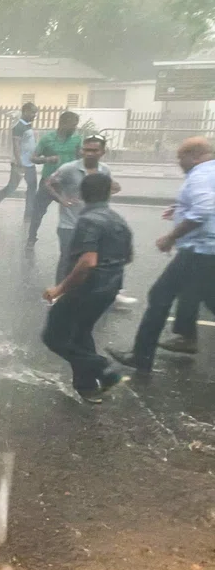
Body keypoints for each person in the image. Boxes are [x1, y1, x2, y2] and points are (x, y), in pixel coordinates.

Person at [108, 137, 215, 375]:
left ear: (195, 155)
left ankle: (141, 356)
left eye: (181, 158)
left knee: (159, 296)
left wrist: (171, 237)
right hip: (207, 251)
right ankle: (147, 353)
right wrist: (181, 209)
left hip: (199, 249)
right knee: (209, 298)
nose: (179, 163)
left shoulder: (199, 175)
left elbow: (204, 211)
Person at [42, 173, 130, 402]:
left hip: (87, 289)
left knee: (53, 337)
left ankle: (106, 369)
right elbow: (127, 256)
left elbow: (87, 262)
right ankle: (87, 386)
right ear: (108, 193)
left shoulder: (88, 220)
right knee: (80, 334)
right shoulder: (118, 219)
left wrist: (60, 289)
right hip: (110, 289)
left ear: (82, 194)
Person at [45, 135, 118, 284]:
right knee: (67, 258)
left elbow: (111, 187)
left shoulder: (104, 170)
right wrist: (62, 200)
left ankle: (85, 292)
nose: (89, 153)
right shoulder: (69, 168)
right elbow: (49, 183)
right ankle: (58, 292)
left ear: (103, 152)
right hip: (69, 224)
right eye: (86, 150)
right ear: (81, 151)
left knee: (92, 259)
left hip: (94, 224)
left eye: (94, 150)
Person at [27, 111, 81, 248]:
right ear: (63, 123)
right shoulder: (48, 139)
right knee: (38, 212)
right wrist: (47, 159)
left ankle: (75, 242)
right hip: (49, 182)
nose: (75, 128)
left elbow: (81, 157)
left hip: (68, 184)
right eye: (72, 125)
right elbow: (33, 158)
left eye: (76, 125)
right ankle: (31, 238)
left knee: (74, 212)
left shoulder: (77, 139)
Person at [0, 102, 38, 222]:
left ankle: (28, 215)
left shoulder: (28, 125)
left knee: (32, 188)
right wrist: (19, 163)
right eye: (32, 112)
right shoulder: (19, 126)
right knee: (11, 188)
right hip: (20, 164)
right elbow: (16, 145)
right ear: (25, 112)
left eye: (35, 113)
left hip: (30, 163)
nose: (34, 115)